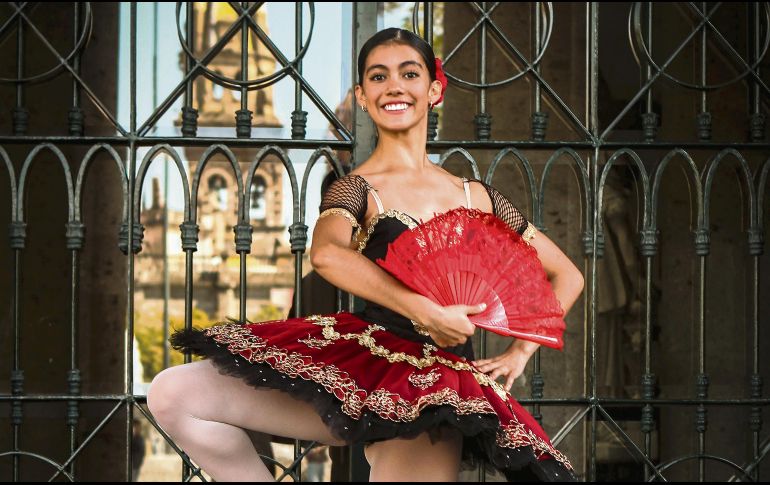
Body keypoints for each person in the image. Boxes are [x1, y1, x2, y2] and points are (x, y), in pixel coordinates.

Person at [147, 27, 584, 482]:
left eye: (409, 74)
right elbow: (327, 254)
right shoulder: (357, 189)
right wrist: (423, 310)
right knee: (174, 393)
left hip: (436, 391)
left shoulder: (479, 198)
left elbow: (568, 276)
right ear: (362, 95)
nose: (393, 86)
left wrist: (519, 353)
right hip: (362, 364)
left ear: (434, 90)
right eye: (378, 76)